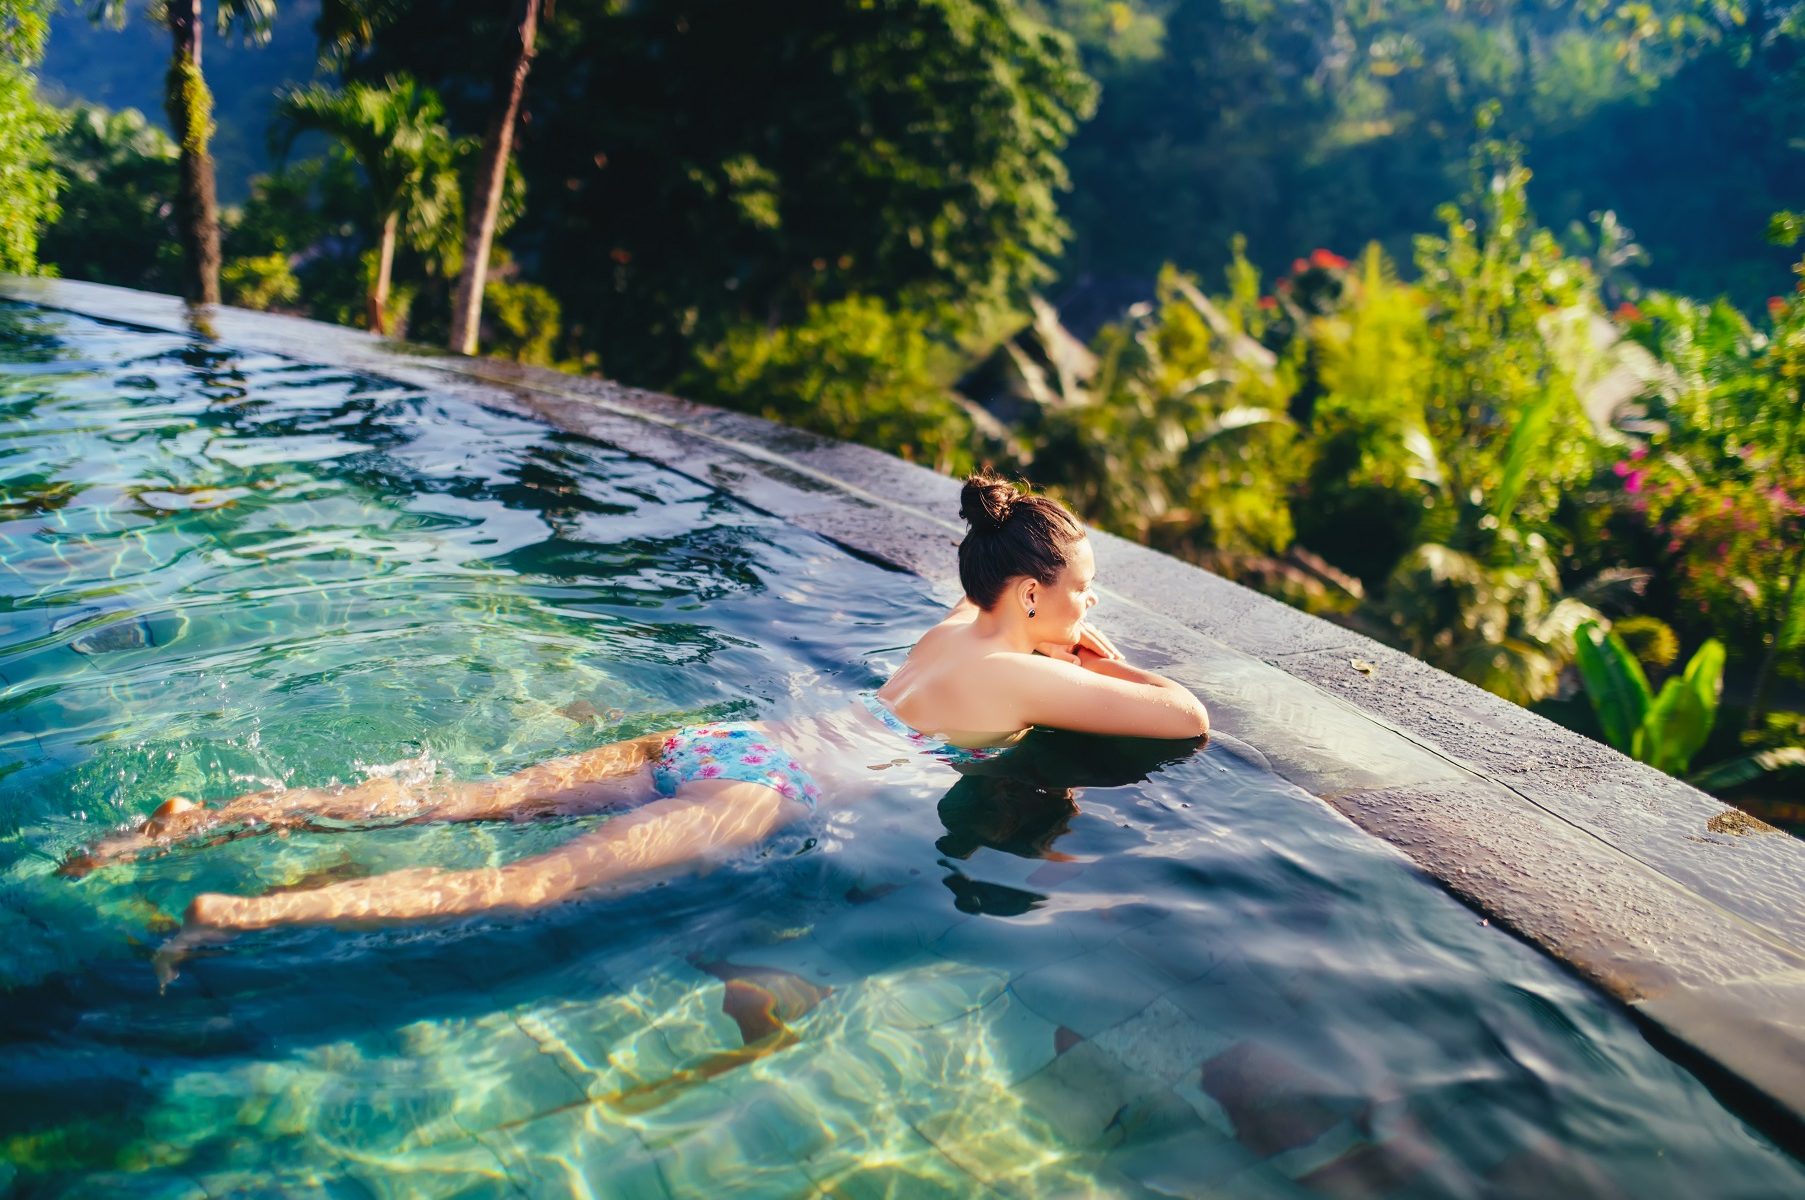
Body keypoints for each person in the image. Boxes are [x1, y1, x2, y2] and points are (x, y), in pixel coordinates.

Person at [63, 471, 1209, 938]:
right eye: (1079, 590)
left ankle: (212, 819)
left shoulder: (955, 628)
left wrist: (1067, 633)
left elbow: (1017, 654)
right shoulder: (1015, 664)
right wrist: (1098, 655)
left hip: (733, 740)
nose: (1089, 608)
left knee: (471, 799)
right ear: (1024, 593)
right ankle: (242, 917)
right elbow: (1184, 717)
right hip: (775, 788)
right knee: (520, 886)